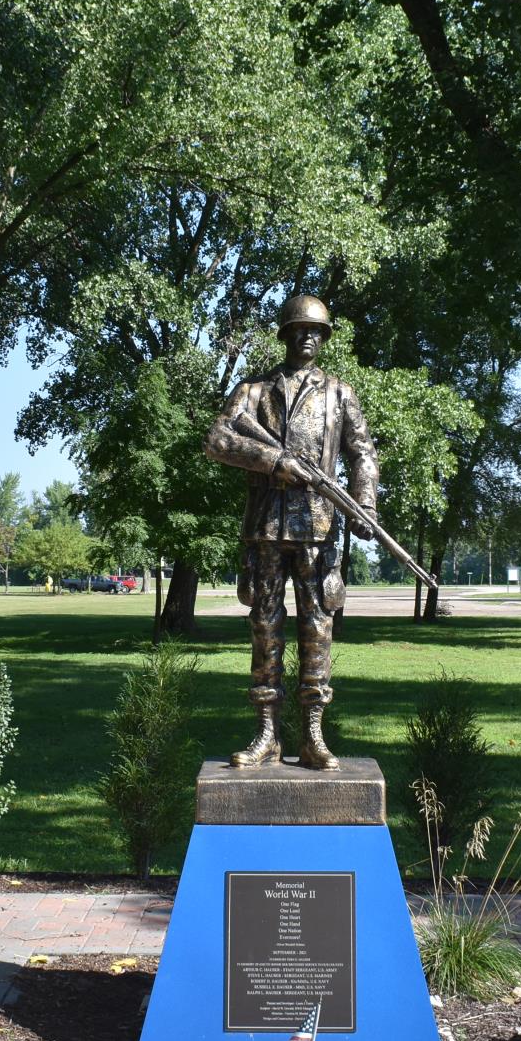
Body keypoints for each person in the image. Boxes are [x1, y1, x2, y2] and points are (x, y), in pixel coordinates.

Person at [204, 294, 378, 770]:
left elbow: (362, 452)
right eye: (299, 328)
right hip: (265, 527)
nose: (307, 336)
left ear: (324, 338)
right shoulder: (253, 392)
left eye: (316, 330)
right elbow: (219, 439)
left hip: (318, 528)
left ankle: (314, 736)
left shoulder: (340, 393)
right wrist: (275, 461)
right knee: (264, 626)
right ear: (285, 334)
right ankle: (266, 734)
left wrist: (365, 503)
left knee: (317, 628)